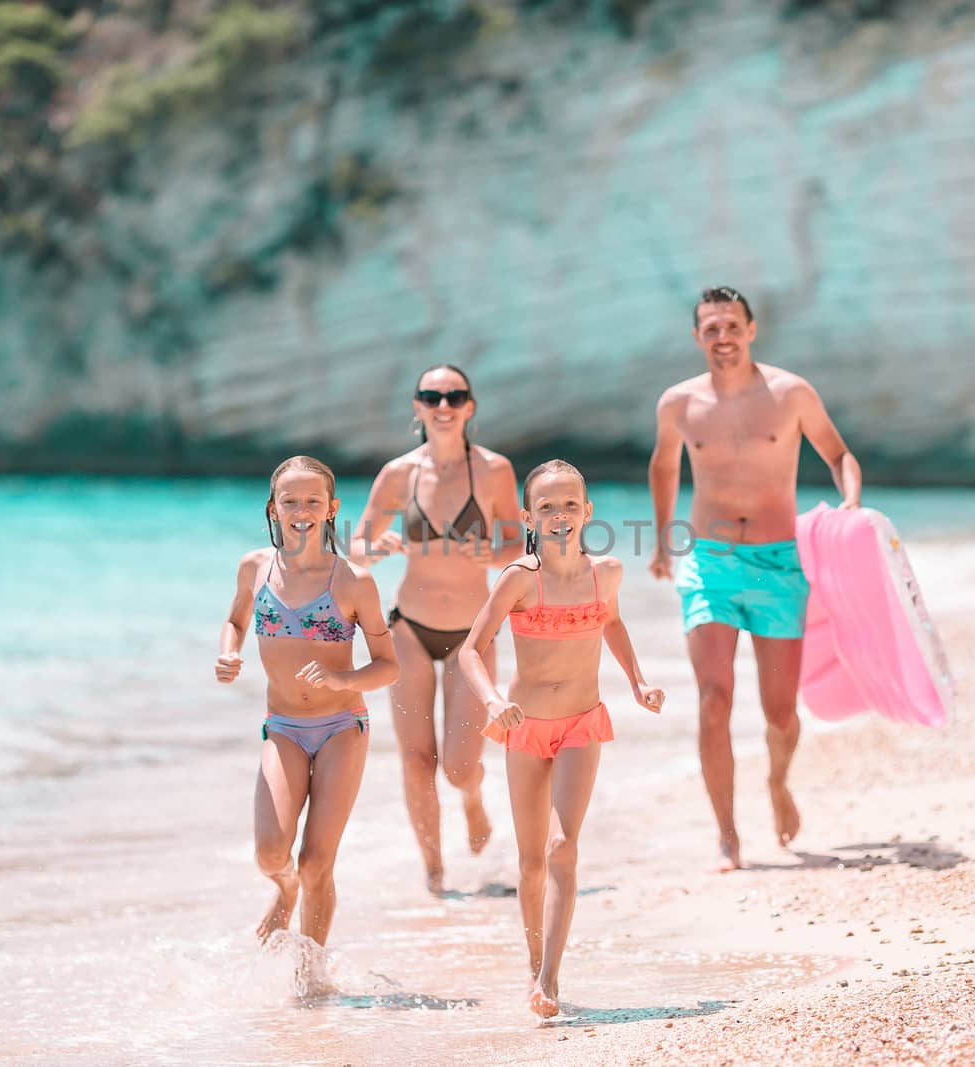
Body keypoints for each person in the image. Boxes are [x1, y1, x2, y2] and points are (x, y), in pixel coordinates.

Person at [647, 285, 862, 871]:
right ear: (697, 337)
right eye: (711, 328)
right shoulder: (678, 404)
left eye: (732, 326)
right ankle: (727, 834)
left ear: (751, 328)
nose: (722, 337)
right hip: (710, 562)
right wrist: (665, 539)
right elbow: (664, 464)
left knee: (780, 713)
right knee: (714, 698)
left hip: (778, 564)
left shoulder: (791, 393)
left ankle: (778, 782)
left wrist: (851, 503)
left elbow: (838, 454)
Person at [458, 460, 665, 1018]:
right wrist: (494, 703)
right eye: (547, 507)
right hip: (522, 727)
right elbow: (469, 650)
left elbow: (613, 624)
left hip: (580, 722)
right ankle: (532, 964)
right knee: (529, 863)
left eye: (570, 505)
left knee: (562, 848)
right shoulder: (520, 578)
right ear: (528, 516)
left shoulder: (608, 573)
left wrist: (638, 682)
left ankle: (550, 977)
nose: (559, 516)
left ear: (587, 512)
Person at [351, 365, 523, 895]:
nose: (443, 405)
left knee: (458, 766)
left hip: (473, 634)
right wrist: (376, 551)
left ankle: (472, 799)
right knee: (415, 757)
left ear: (470, 407)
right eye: (432, 396)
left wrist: (490, 553)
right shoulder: (399, 473)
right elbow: (356, 543)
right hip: (409, 629)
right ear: (418, 407)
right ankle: (434, 872)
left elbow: (519, 544)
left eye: (455, 396)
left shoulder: (494, 470)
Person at [217, 456, 399, 948]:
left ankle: (311, 973)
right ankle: (284, 890)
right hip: (283, 728)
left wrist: (343, 679)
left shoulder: (353, 580)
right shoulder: (254, 567)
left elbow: (388, 664)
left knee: (318, 861)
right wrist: (229, 653)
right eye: (290, 500)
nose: (302, 510)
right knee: (271, 854)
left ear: (332, 508)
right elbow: (235, 621)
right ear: (273, 508)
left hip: (342, 725)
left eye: (313, 500)